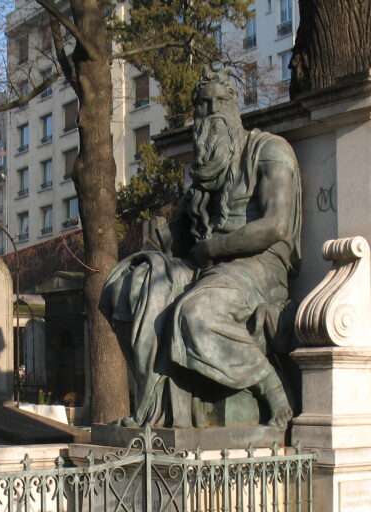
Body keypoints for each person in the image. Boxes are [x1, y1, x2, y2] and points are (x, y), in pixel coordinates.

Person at [100, 67, 302, 429]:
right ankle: (154, 411)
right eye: (202, 104)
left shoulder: (269, 150)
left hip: (258, 268)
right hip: (207, 266)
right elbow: (179, 235)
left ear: (234, 106)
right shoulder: (206, 165)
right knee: (124, 287)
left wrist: (215, 247)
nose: (211, 111)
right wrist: (157, 244)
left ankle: (273, 390)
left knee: (195, 313)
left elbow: (276, 225)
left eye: (219, 102)